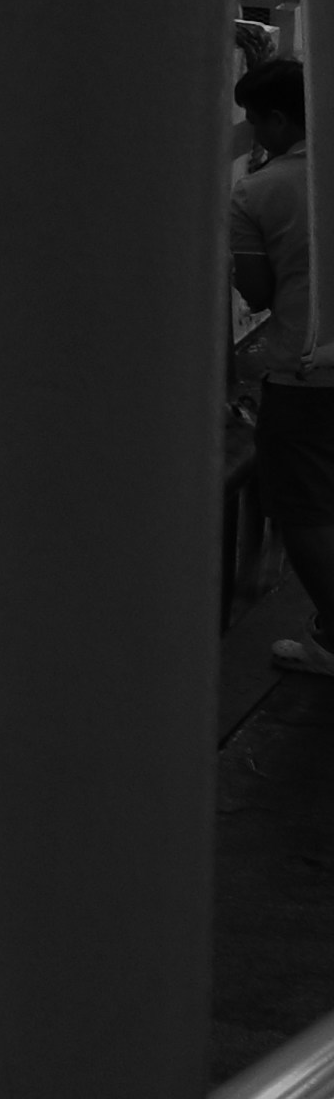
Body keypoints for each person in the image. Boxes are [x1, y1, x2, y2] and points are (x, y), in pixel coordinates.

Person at [243, 56, 334, 677]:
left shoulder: (259, 190)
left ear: (278, 118)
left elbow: (257, 291)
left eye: (255, 122)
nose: (253, 136)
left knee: (306, 511)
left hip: (305, 374)